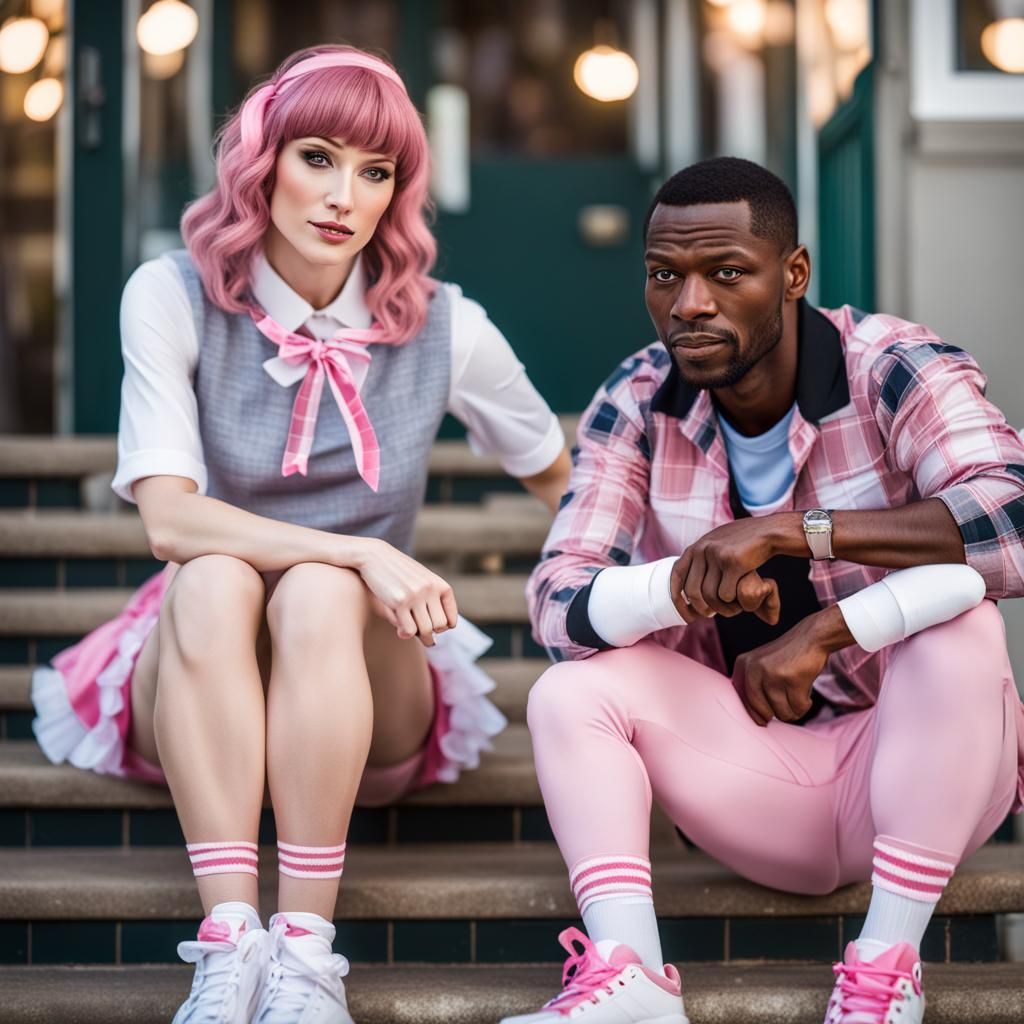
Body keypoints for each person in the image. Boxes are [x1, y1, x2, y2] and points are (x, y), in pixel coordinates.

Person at [30, 45, 570, 1024]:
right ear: (261, 162)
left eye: (375, 172)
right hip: (202, 666)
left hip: (367, 680)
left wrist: (654, 611)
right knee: (210, 576)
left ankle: (308, 956)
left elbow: (568, 488)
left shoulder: (445, 325)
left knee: (322, 593)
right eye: (317, 156)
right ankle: (231, 944)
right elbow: (166, 518)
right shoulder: (172, 293)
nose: (342, 196)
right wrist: (360, 546)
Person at [512, 157, 1024, 1024]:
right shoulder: (637, 401)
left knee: (962, 626)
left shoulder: (889, 366)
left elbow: (1010, 511)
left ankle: (884, 974)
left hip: (919, 771)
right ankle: (629, 978)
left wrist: (803, 556)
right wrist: (680, 586)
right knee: (570, 690)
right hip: (753, 782)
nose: (689, 304)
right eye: (665, 275)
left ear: (793, 275)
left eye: (726, 273)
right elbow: (558, 602)